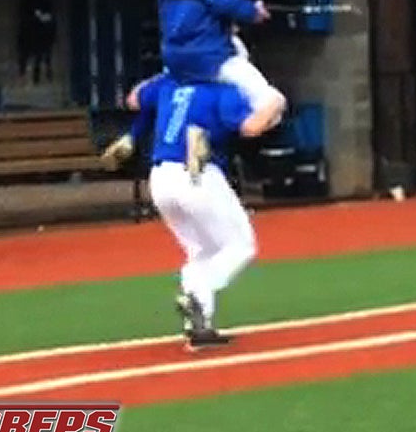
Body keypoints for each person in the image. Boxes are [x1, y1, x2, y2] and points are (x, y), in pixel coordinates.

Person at [104, 71, 286, 350]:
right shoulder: (222, 88)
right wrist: (275, 102)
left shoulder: (170, 81)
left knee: (201, 251)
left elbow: (134, 99)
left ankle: (199, 327)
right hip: (197, 173)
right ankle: (197, 295)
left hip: (160, 178)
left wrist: (165, 76)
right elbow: (251, 127)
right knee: (240, 245)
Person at [17, 0, 57, 84]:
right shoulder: (34, 5)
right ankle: (31, 74)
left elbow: (49, 17)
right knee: (38, 54)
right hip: (34, 34)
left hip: (38, 34)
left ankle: (33, 74)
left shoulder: (39, 4)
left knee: (39, 55)